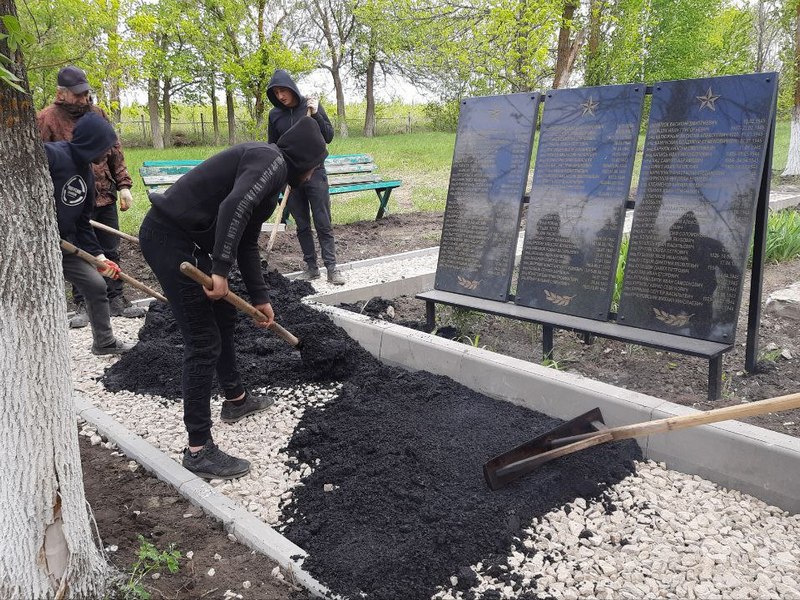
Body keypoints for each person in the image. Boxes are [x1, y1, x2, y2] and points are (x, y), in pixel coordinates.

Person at [139, 117, 328, 479]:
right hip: (169, 239)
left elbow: (246, 238)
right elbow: (233, 209)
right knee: (202, 339)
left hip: (187, 241)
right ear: (305, 160)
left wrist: (260, 296)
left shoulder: (271, 173)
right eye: (317, 164)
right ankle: (198, 450)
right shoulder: (270, 162)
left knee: (224, 318)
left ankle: (236, 401)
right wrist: (221, 272)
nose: (316, 171)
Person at [37, 65, 145, 327]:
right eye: (77, 94)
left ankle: (116, 298)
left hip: (103, 193)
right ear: (61, 93)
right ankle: (84, 303)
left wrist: (124, 185)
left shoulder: (97, 114)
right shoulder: (46, 119)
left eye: (85, 93)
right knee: (79, 250)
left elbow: (114, 150)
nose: (83, 99)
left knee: (109, 248)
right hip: (69, 199)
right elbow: (40, 165)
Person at [45, 112, 135, 356]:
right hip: (37, 247)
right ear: (92, 142)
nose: (108, 154)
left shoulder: (87, 174)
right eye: (106, 147)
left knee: (96, 285)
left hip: (64, 245)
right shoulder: (51, 155)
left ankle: (104, 343)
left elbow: (83, 223)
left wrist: (99, 258)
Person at [266, 69, 345, 285]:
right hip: (290, 177)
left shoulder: (309, 107)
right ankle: (311, 268)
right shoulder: (275, 115)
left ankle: (332, 268)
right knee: (301, 224)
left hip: (315, 172)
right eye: (276, 92)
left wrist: (317, 113)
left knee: (322, 221)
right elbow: (272, 145)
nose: (281, 96)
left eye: (283, 90)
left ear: (291, 88)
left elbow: (328, 136)